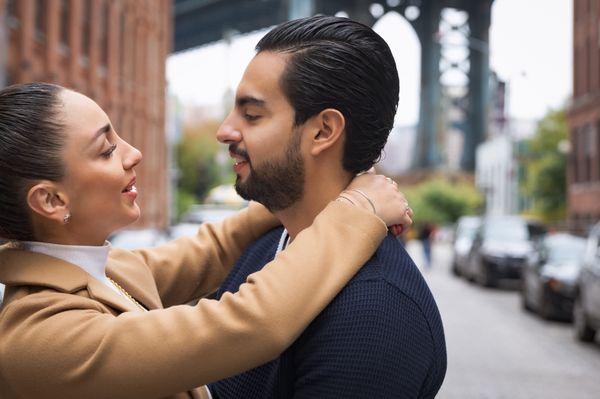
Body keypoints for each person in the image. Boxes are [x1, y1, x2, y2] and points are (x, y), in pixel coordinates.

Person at [0, 82, 413, 399]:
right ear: (51, 200)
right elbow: (251, 323)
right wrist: (356, 211)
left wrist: (300, 190)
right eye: (106, 150)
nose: (134, 153)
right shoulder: (40, 339)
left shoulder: (103, 269)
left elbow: (210, 248)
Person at [209, 16, 446, 399]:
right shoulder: (265, 245)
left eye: (252, 115)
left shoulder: (376, 315)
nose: (224, 130)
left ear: (323, 131)